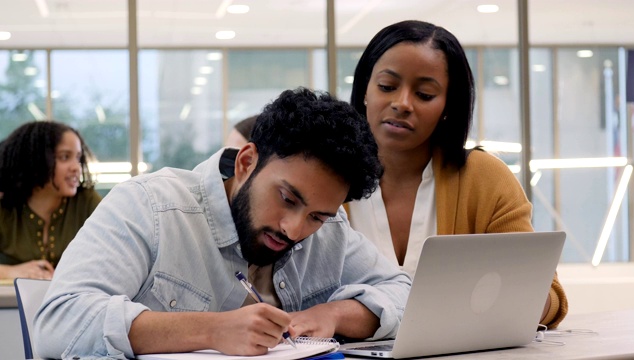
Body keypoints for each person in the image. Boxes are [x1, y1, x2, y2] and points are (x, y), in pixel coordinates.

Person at [34, 87, 411, 359]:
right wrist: (212, 329)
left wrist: (331, 314)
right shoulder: (150, 206)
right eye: (287, 199)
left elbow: (406, 292)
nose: (295, 230)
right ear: (247, 163)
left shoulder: (330, 231)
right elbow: (59, 322)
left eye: (316, 216)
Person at [348, 20, 568, 328]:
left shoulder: (484, 179)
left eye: (424, 94)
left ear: (448, 106)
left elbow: (551, 298)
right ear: (364, 91)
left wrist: (524, 296)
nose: (402, 104)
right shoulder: (325, 177)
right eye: (387, 87)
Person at [0, 121, 101, 280]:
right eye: (65, 157)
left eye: (78, 158)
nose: (76, 167)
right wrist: (9, 272)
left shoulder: (87, 202)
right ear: (35, 160)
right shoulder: (4, 206)